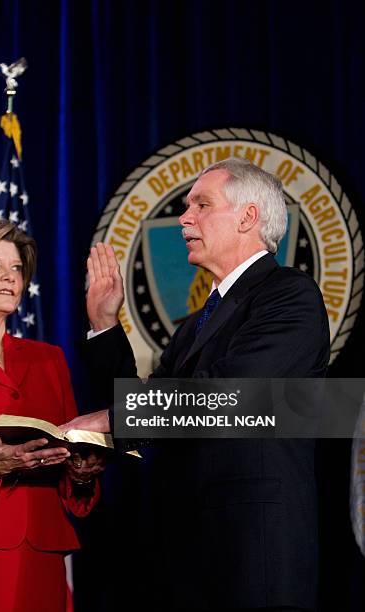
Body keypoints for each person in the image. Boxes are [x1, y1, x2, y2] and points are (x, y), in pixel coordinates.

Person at [74, 158, 330, 612]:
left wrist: (113, 418)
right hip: (187, 556)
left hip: (253, 555)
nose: (184, 218)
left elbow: (232, 396)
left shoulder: (289, 295)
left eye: (201, 204)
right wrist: (104, 323)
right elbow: (148, 414)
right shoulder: (194, 326)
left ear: (248, 217)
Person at [0, 218, 105, 612]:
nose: (9, 276)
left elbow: (70, 443)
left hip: (42, 551)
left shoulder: (50, 359)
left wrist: (80, 471)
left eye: (17, 268)